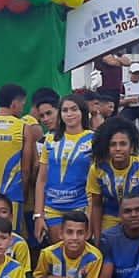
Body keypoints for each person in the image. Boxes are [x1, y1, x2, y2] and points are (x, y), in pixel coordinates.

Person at [0, 84, 40, 232]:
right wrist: (24, 194)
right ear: (14, 104)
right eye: (22, 104)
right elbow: (26, 168)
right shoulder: (23, 128)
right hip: (12, 197)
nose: (22, 109)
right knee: (9, 240)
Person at [35, 95, 93, 241]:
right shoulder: (50, 139)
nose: (69, 114)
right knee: (58, 254)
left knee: (77, 254)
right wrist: (38, 215)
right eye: (65, 110)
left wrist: (91, 217)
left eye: (74, 109)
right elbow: (41, 180)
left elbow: (96, 183)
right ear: (60, 114)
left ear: (83, 112)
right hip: (52, 208)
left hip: (80, 207)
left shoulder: (94, 139)